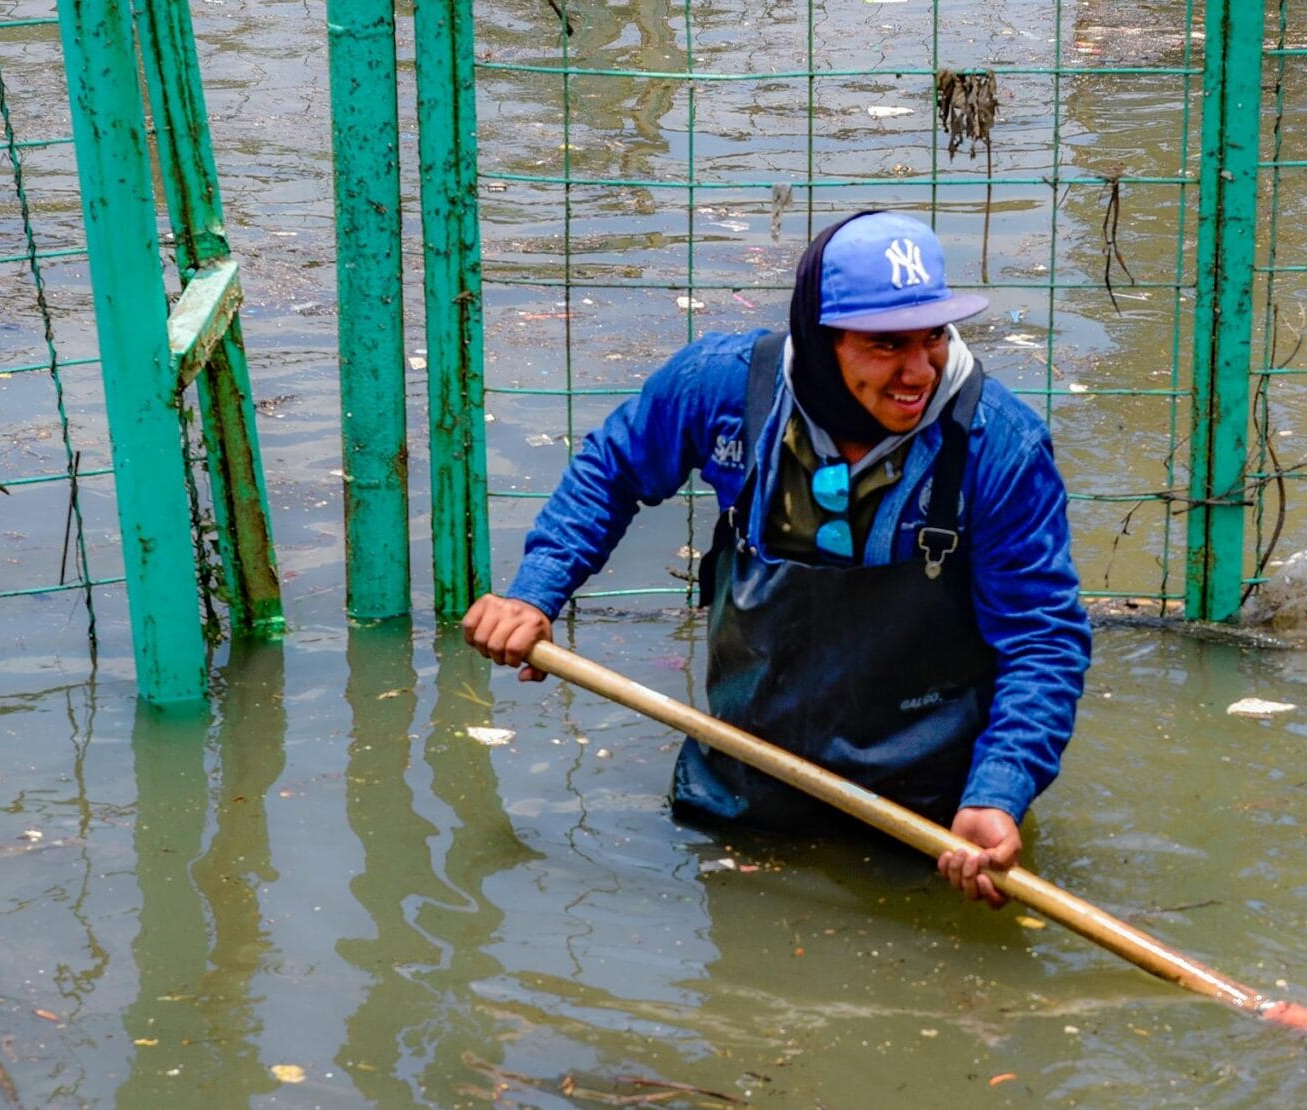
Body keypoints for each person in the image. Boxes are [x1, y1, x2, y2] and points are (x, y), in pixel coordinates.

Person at [461, 211, 1091, 907]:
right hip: (744, 782)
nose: (919, 371)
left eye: (933, 338)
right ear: (822, 341)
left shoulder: (1000, 447)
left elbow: (1042, 641)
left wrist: (999, 791)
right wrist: (535, 593)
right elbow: (611, 471)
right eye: (886, 345)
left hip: (929, 816)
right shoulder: (725, 388)